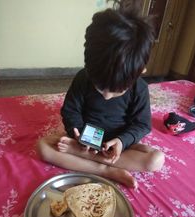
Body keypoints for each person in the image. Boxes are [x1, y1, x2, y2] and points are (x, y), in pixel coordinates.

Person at [37, 8, 165, 188]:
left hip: (117, 144)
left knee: (156, 160)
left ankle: (85, 158)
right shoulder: (83, 77)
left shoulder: (139, 89)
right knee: (42, 146)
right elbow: (70, 111)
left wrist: (122, 141)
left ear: (139, 72)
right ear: (88, 65)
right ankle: (106, 170)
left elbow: (142, 125)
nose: (106, 95)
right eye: (100, 87)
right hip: (84, 139)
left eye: (116, 91)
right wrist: (78, 133)